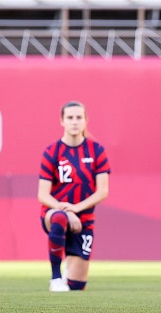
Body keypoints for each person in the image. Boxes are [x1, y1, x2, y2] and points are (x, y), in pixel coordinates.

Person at [37, 101, 110, 292]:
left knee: (77, 287)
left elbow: (102, 191)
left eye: (79, 117)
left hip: (84, 220)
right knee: (60, 217)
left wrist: (76, 209)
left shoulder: (97, 151)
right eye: (70, 117)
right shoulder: (52, 152)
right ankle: (55, 277)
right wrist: (66, 211)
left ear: (86, 120)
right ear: (62, 121)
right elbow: (42, 194)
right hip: (55, 214)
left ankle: (69, 273)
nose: (74, 122)